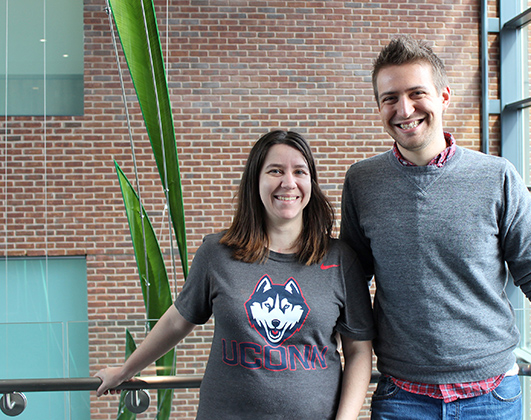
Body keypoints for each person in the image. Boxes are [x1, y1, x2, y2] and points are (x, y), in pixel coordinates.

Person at [339, 36, 531, 420]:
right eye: (389, 98)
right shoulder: (362, 182)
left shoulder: (496, 178)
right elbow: (349, 283)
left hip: (492, 399)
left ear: (443, 97)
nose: (404, 108)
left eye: (416, 93)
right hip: (401, 398)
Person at [96, 130, 375, 419]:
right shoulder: (216, 254)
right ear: (256, 181)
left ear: (311, 183)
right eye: (275, 171)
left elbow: (358, 351)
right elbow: (178, 320)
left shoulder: (341, 260)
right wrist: (127, 369)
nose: (288, 182)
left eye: (299, 171)